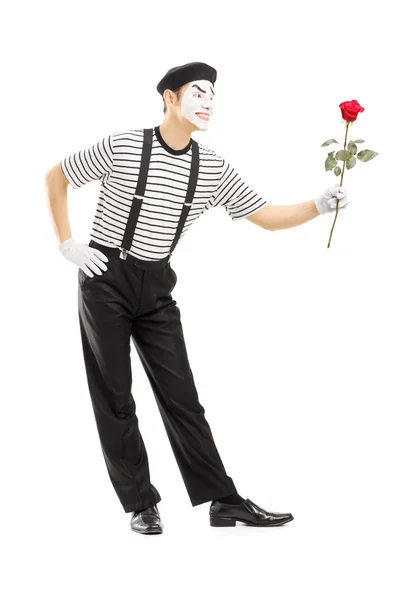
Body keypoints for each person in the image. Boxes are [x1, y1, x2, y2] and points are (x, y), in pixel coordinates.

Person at [45, 61, 350, 535]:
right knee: (115, 397)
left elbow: (265, 216)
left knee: (183, 398)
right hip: (105, 277)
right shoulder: (123, 145)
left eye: (213, 95)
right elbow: (56, 177)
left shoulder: (212, 167)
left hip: (157, 283)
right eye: (199, 93)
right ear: (170, 98)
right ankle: (141, 503)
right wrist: (68, 243)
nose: (209, 102)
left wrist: (319, 204)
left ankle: (223, 501)